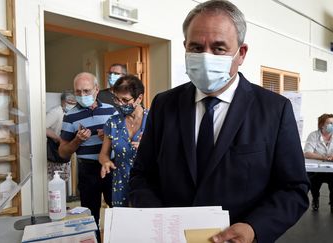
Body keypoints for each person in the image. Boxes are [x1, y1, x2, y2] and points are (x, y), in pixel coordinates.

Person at [129, 1, 310, 242]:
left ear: (241, 53)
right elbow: (142, 175)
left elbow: (294, 189)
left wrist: (253, 228)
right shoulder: (164, 105)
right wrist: (156, 217)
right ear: (185, 47)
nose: (206, 57)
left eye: (219, 48)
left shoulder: (274, 110)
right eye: (196, 47)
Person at [58, 72, 117, 241]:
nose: (82, 95)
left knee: (117, 212)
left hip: (112, 167)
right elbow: (63, 152)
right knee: (89, 218)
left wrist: (108, 138)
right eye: (78, 92)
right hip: (87, 171)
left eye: (86, 91)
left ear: (96, 90)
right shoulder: (70, 116)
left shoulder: (112, 111)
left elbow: (123, 143)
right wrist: (77, 140)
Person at [99, 75, 148, 207]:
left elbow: (167, 154)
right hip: (120, 184)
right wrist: (106, 162)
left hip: (147, 184)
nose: (120, 104)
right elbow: (103, 154)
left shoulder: (153, 121)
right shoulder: (113, 123)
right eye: (117, 99)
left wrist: (146, 148)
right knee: (122, 224)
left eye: (125, 100)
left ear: (139, 98)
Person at [304, 113, 333, 214]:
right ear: (321, 125)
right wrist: (323, 157)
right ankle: (315, 199)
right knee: (313, 180)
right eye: (329, 123)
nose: (332, 125)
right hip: (317, 168)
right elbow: (307, 152)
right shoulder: (313, 135)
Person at [46, 90, 76, 181]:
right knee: (54, 179)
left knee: (64, 179)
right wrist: (57, 138)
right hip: (55, 149)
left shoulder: (72, 112)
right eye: (70, 102)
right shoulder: (55, 112)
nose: (72, 105)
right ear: (63, 101)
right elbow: (41, 128)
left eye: (74, 103)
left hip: (67, 149)